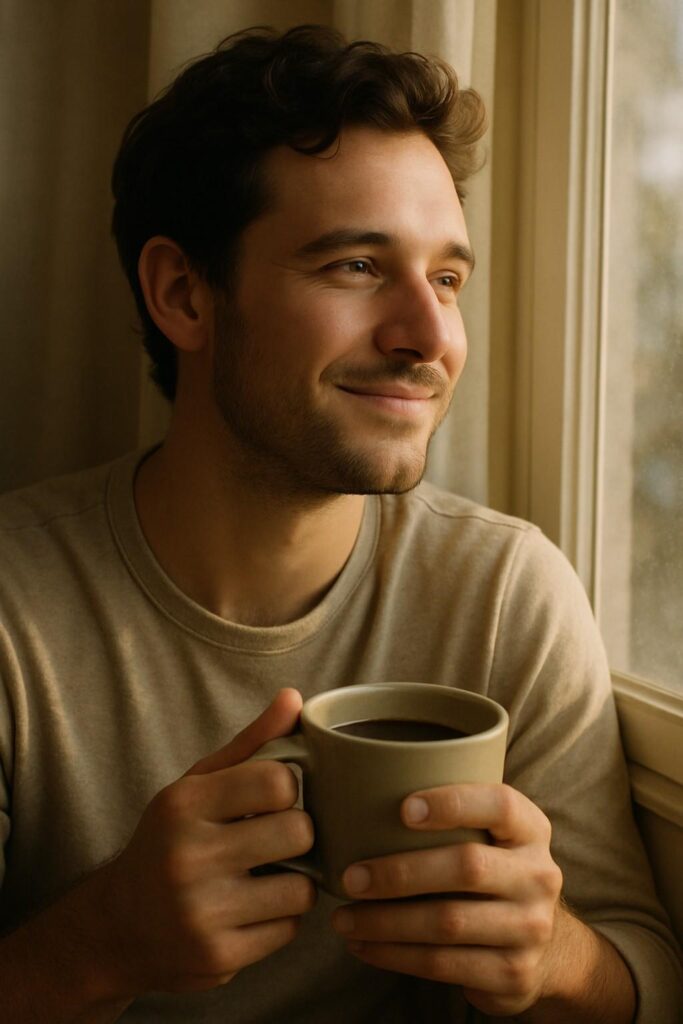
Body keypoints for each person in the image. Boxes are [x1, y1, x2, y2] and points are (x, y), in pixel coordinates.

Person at [0, 23, 680, 1024]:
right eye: (357, 266)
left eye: (445, 279)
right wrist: (98, 944)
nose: (429, 336)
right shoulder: (15, 610)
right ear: (183, 294)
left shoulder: (504, 593)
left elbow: (644, 973)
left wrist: (553, 959)